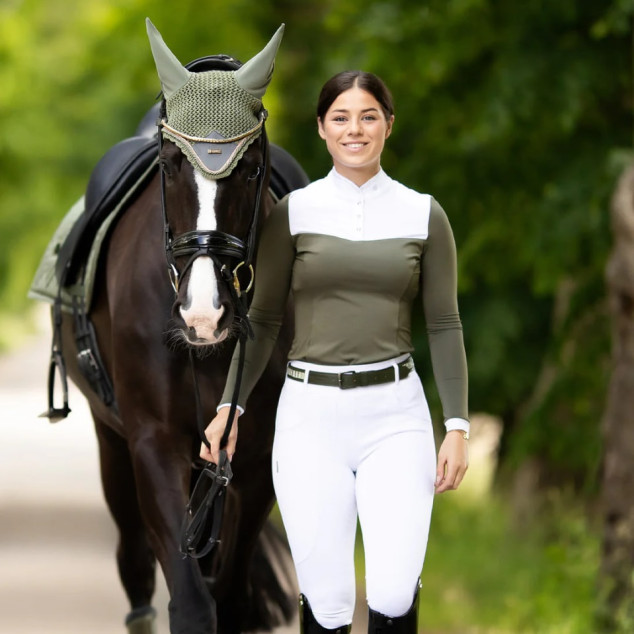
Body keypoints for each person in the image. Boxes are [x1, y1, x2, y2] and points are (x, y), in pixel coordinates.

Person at [200, 70, 469, 634]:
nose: (355, 129)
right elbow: (265, 320)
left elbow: (443, 323)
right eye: (341, 118)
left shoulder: (424, 214)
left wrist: (459, 426)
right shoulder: (293, 213)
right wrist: (230, 408)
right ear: (322, 128)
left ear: (388, 126)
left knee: (393, 593)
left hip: (396, 415)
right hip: (309, 419)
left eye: (368, 116)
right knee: (328, 601)